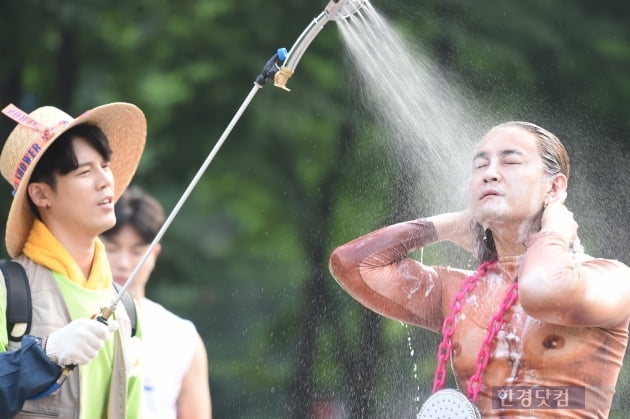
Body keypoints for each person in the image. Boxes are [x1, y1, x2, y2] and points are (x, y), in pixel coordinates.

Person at [329, 121, 630, 418]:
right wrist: (449, 224)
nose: (490, 174)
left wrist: (555, 232)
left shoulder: (611, 280)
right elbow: (353, 263)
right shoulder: (458, 292)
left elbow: (542, 291)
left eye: (510, 161)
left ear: (553, 187)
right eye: (479, 166)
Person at [0, 102, 146, 418]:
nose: (106, 180)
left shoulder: (126, 309)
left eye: (105, 166)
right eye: (84, 171)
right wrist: (46, 354)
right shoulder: (7, 290)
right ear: (41, 195)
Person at [101, 185, 213, 419]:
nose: (123, 263)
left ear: (155, 254)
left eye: (137, 251)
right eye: (111, 248)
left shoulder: (183, 337)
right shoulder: (72, 318)